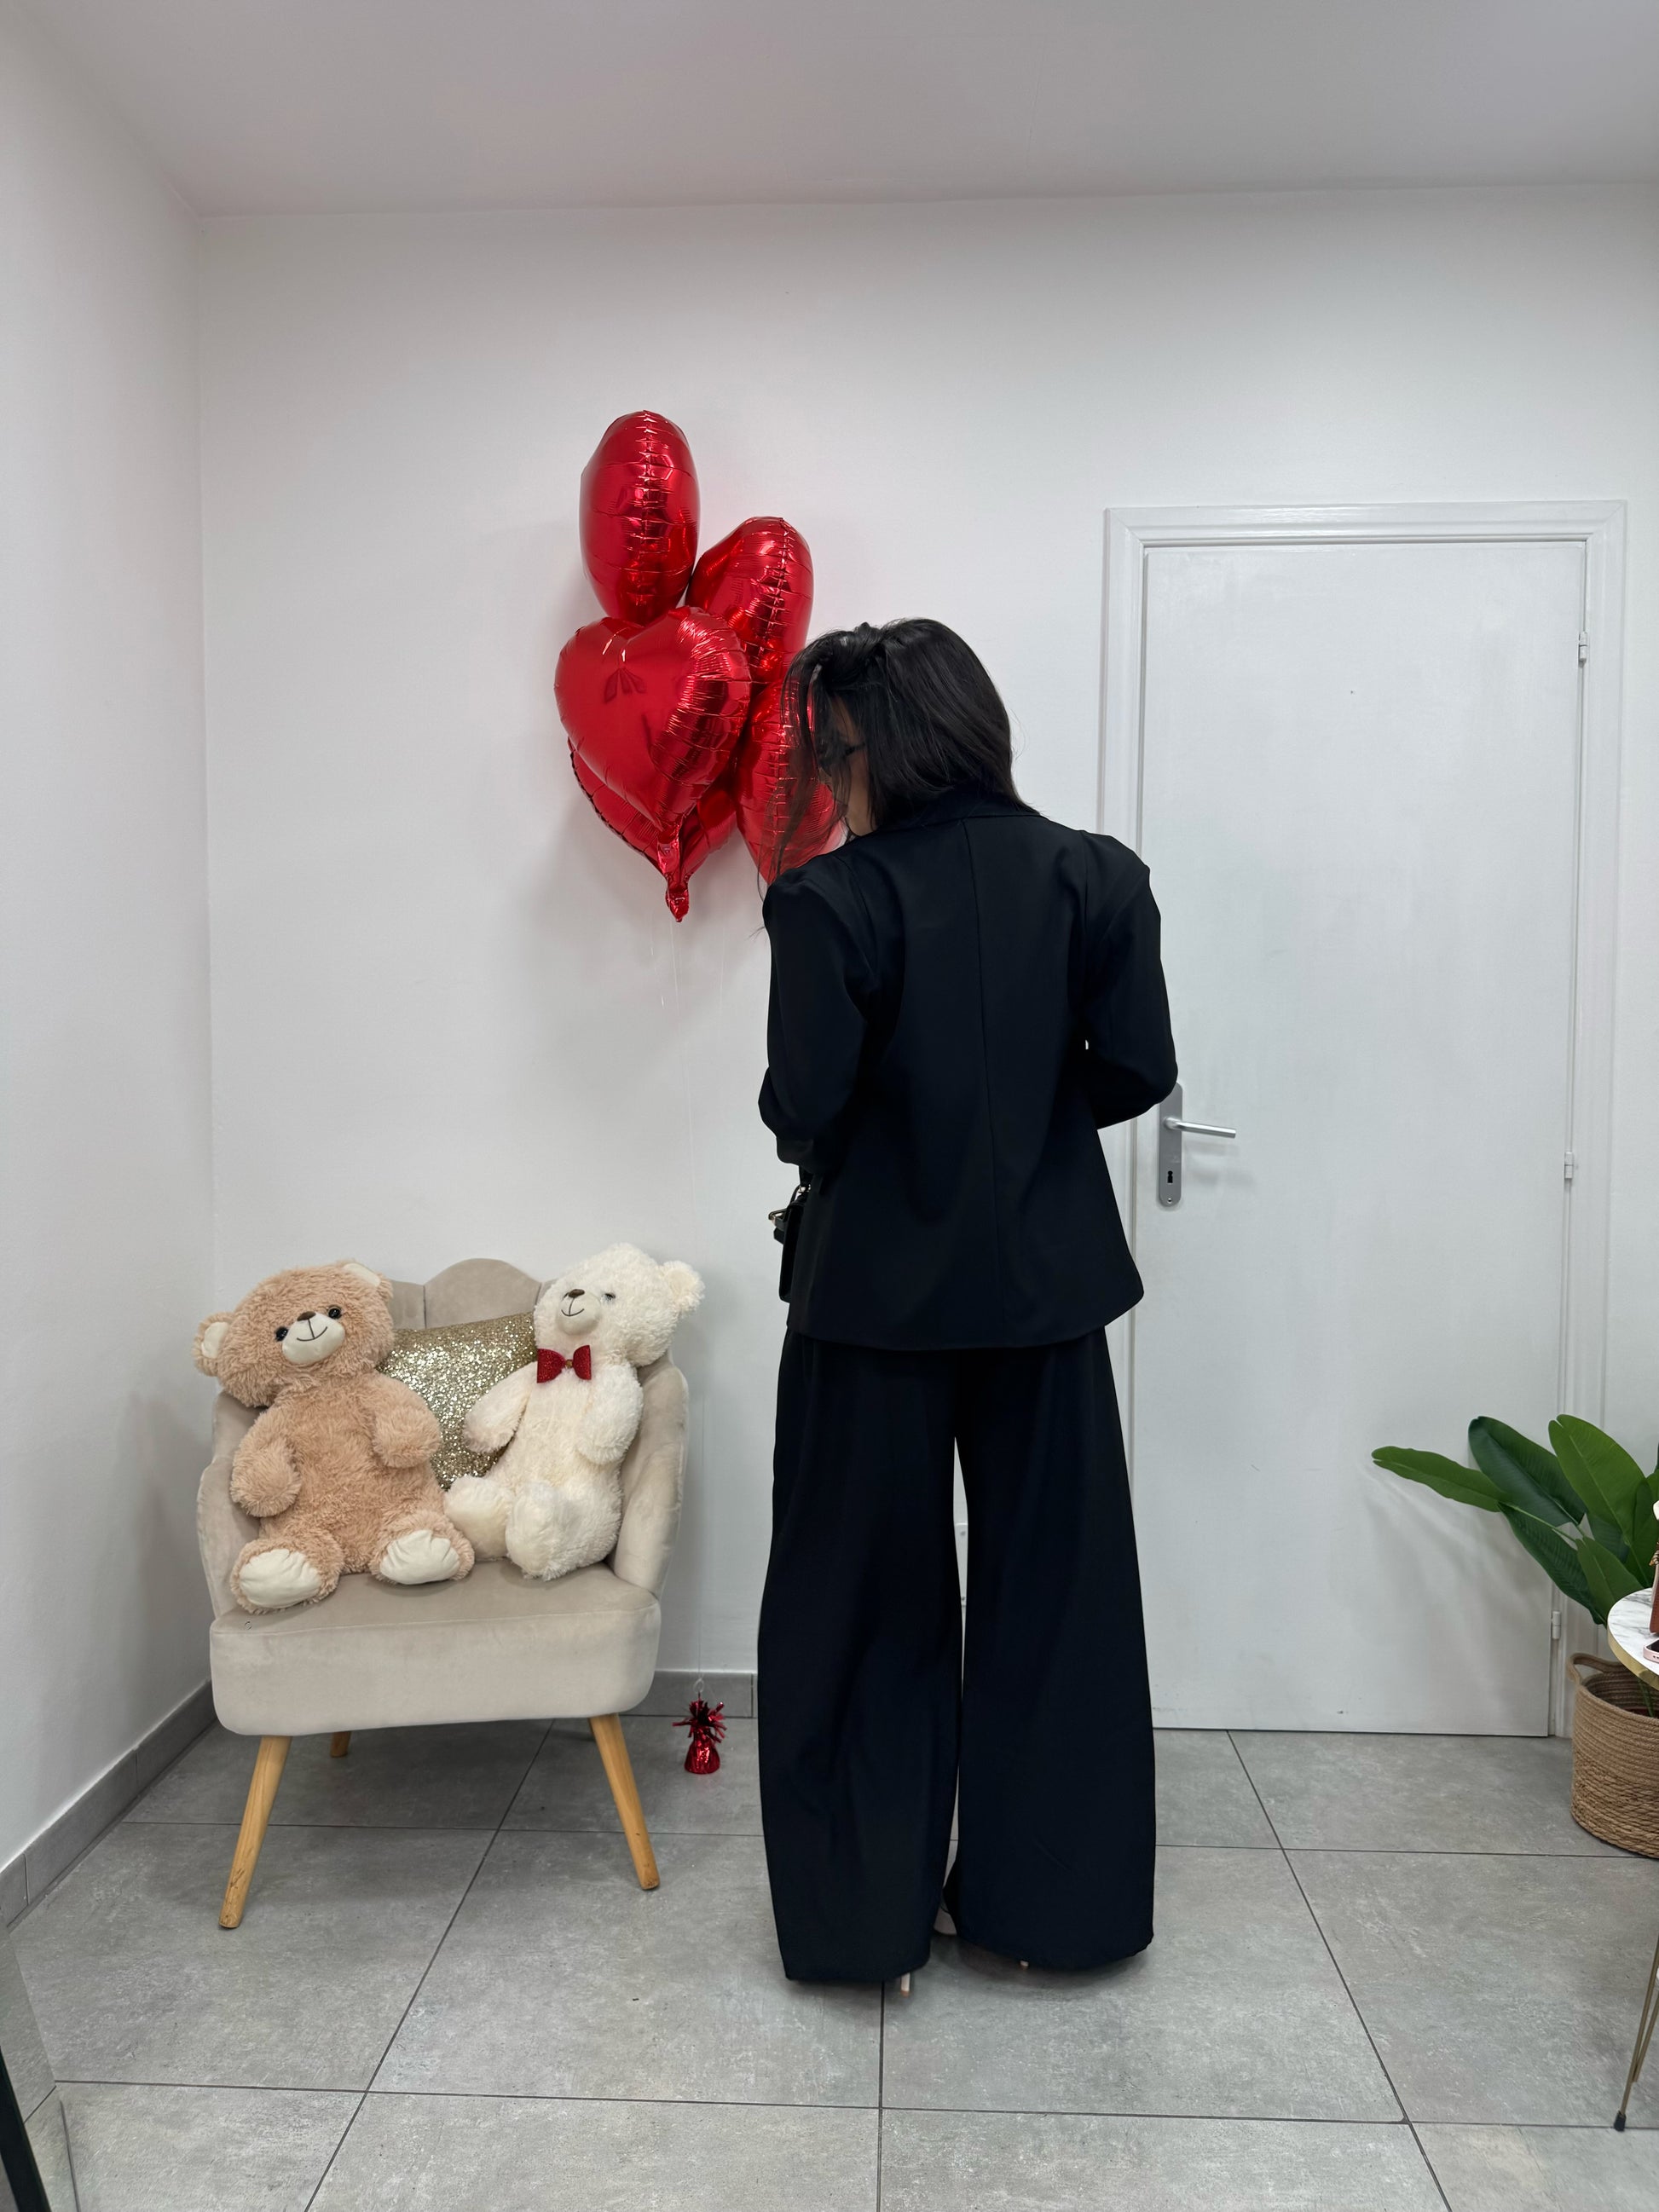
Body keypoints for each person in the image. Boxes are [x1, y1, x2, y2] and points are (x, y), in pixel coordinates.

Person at [754, 618, 1177, 1986]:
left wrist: (898, 1126)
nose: (828, 783)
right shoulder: (1097, 877)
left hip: (870, 1299)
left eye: (831, 754)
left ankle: (861, 1922)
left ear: (870, 746)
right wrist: (1022, 1119)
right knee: (1060, 1601)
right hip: (1046, 1293)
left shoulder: (829, 903)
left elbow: (801, 1108)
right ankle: (1053, 1916)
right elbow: (1135, 1069)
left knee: (856, 1604)